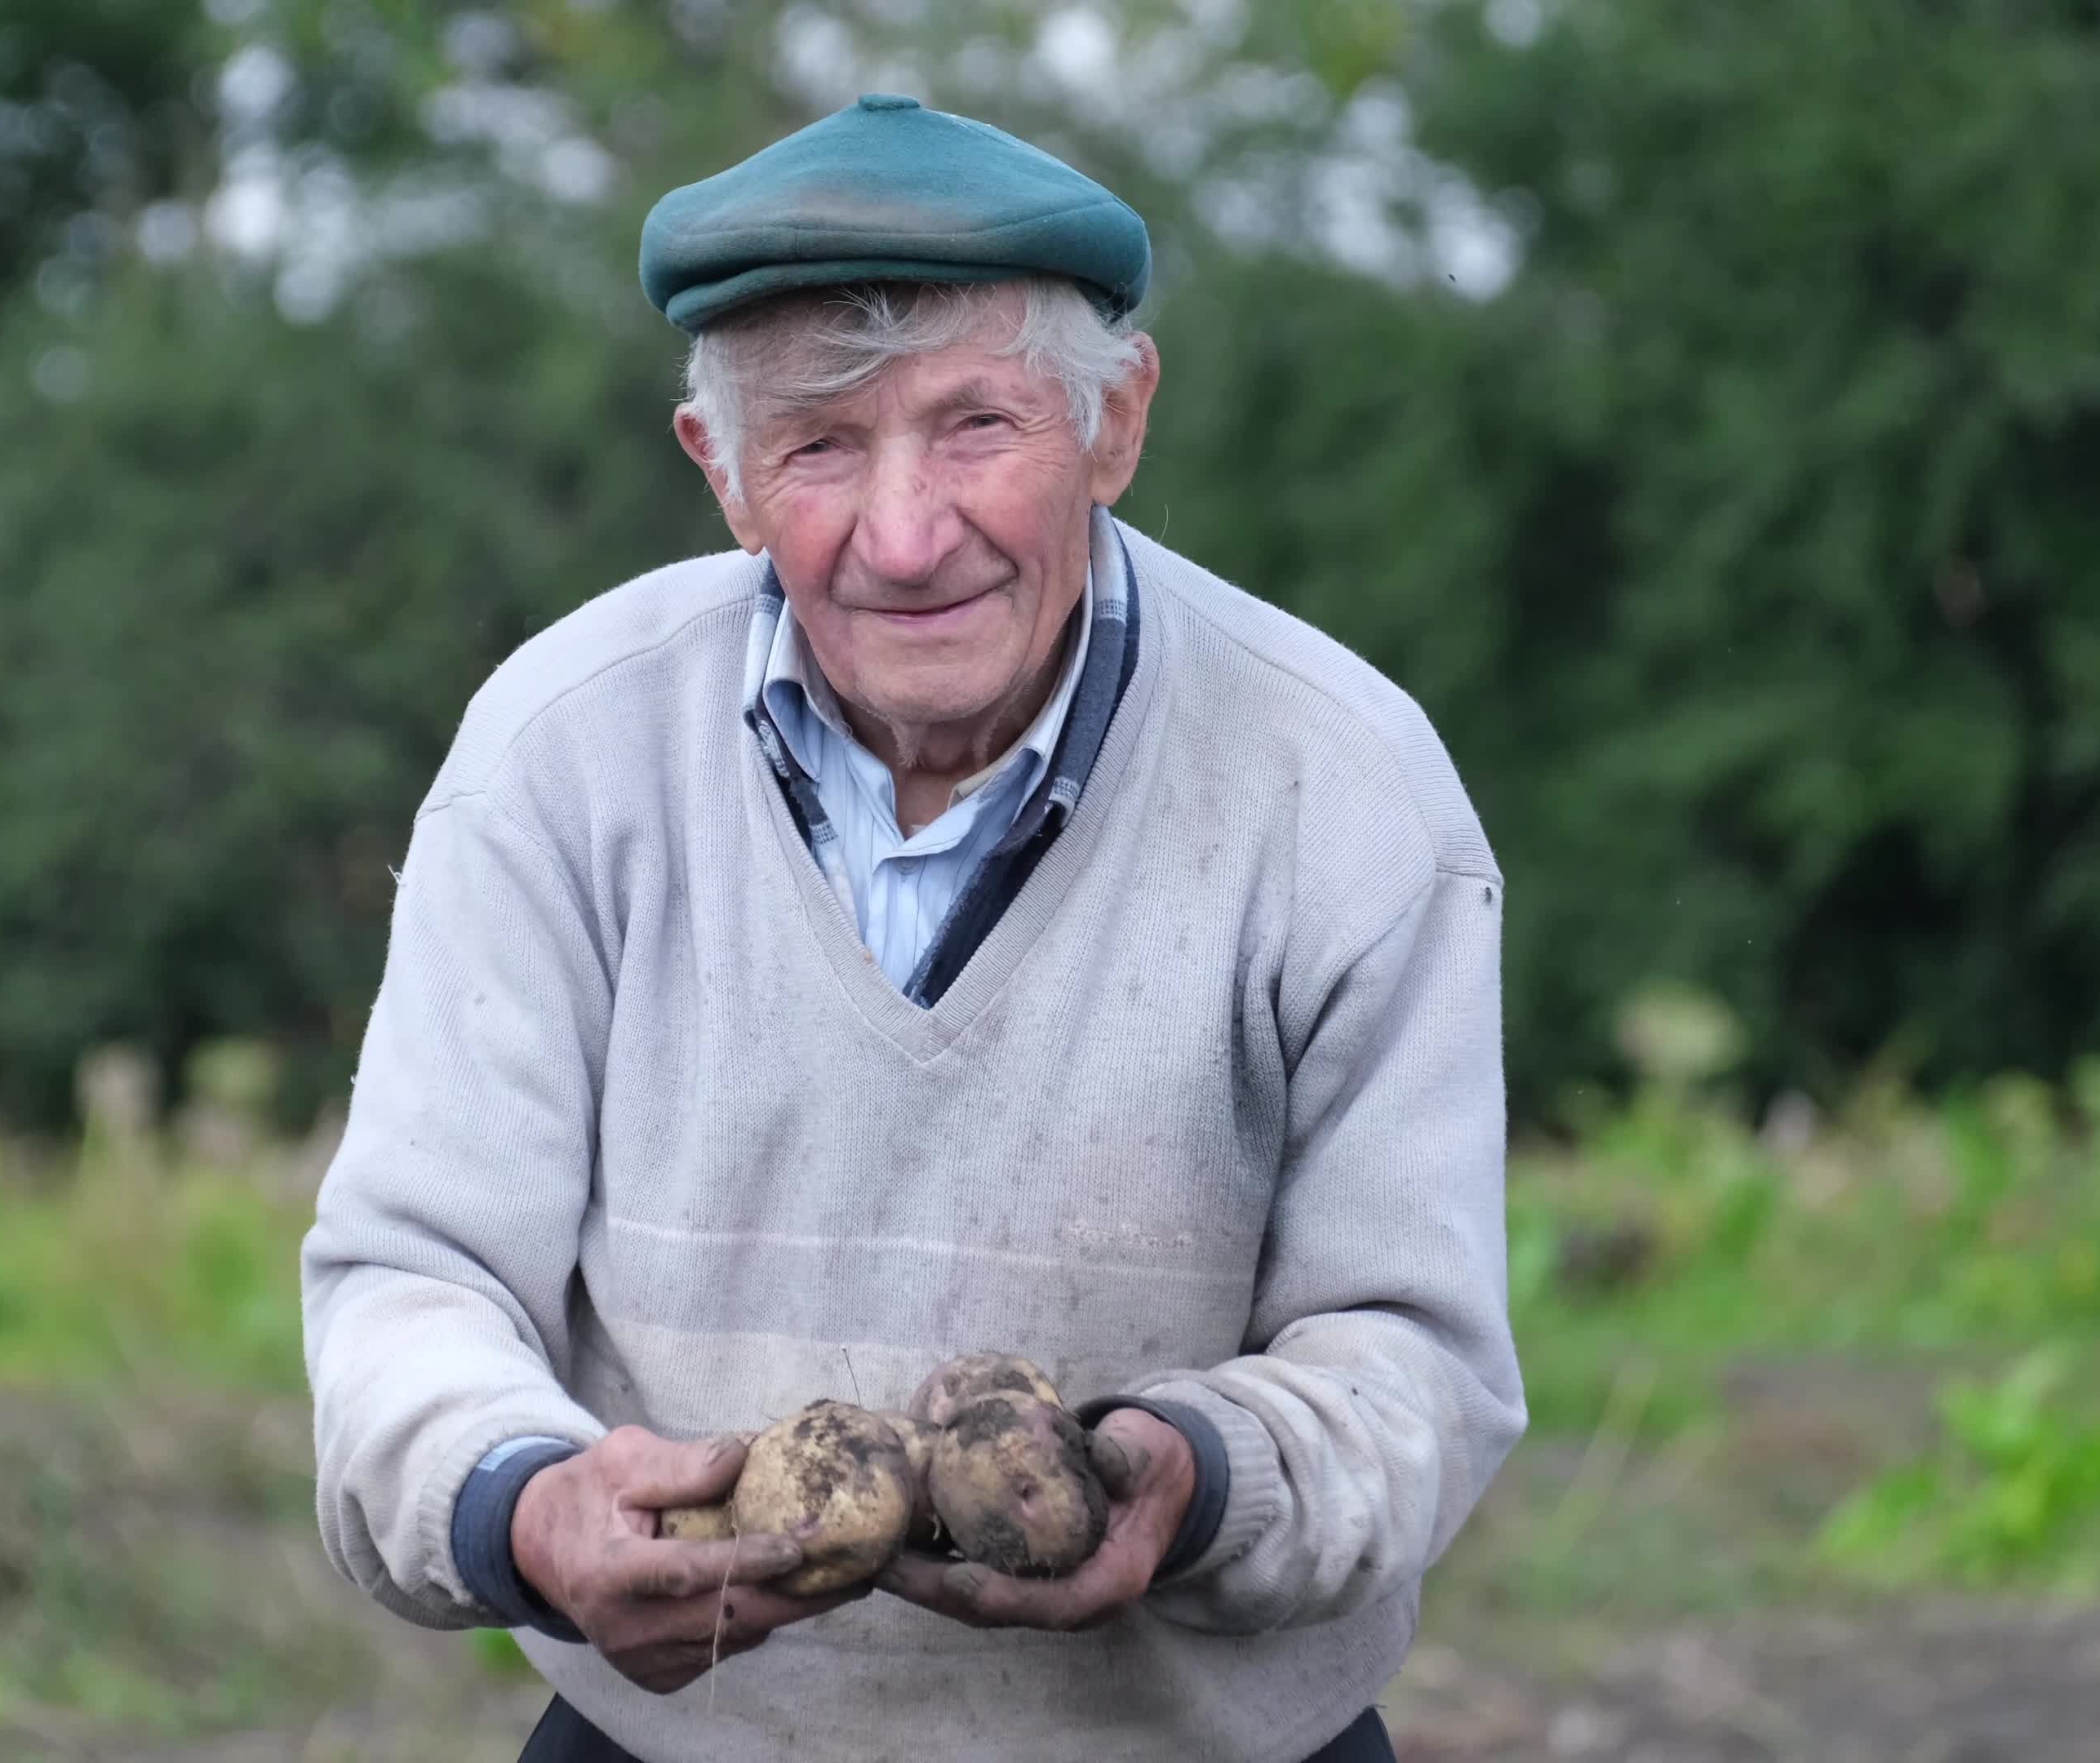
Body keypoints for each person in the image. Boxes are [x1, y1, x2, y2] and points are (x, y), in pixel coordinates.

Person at [300, 91, 1525, 1763]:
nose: (906, 536)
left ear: (1117, 426)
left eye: (976, 428)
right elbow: (413, 1282)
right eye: (818, 445)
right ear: (721, 474)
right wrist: (525, 1511)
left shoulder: (1345, 788)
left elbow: (1418, 1362)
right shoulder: (558, 761)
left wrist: (1196, 1475)